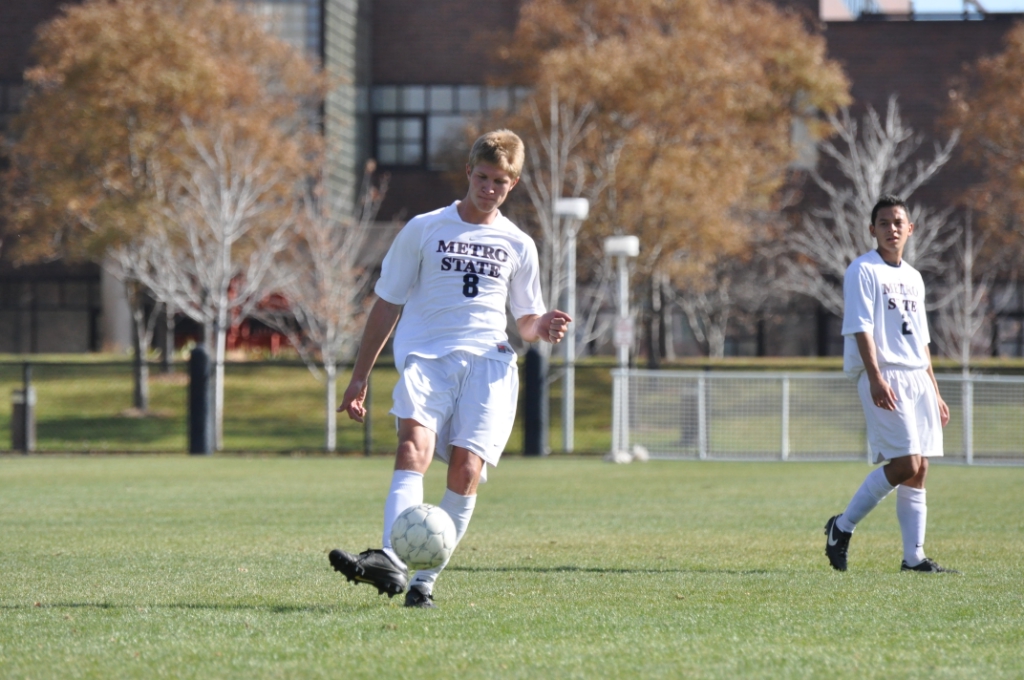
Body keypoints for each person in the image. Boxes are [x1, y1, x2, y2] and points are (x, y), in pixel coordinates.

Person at [328, 129, 572, 608]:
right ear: (468, 173)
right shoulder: (424, 228)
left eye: (500, 181)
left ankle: (423, 584)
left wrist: (542, 325)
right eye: (482, 177)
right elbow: (386, 303)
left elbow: (524, 320)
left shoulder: (519, 244)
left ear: (513, 183)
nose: (489, 188)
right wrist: (359, 376)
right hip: (427, 359)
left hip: (490, 366)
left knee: (465, 471)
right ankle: (392, 563)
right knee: (412, 447)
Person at [824, 195, 957, 574]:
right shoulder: (863, 270)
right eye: (884, 223)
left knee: (920, 468)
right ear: (872, 230)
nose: (892, 228)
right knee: (904, 463)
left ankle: (913, 558)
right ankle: (841, 526)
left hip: (917, 376)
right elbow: (861, 329)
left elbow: (922, 341)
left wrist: (935, 389)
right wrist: (876, 378)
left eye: (898, 222)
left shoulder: (913, 277)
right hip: (885, 375)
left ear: (910, 229)